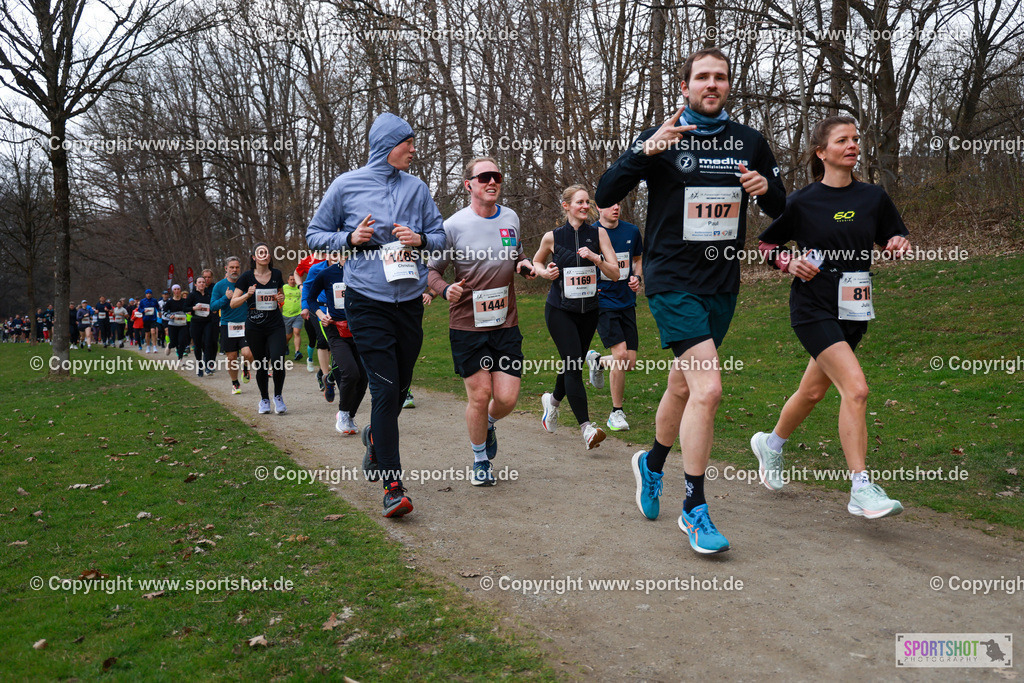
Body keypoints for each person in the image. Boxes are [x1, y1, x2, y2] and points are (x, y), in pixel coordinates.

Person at [596, 47, 786, 554]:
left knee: (682, 386)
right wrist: (646, 150)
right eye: (702, 77)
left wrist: (766, 189)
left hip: (721, 283)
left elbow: (781, 208)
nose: (712, 84)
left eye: (720, 77)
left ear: (728, 85)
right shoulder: (665, 137)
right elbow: (604, 192)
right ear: (685, 86)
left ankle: (651, 463)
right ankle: (695, 508)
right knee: (709, 389)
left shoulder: (749, 141)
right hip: (671, 279)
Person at [751, 116, 909, 518]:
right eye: (843, 140)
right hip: (813, 307)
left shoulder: (873, 197)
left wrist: (896, 243)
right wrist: (789, 262)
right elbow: (767, 243)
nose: (853, 145)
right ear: (822, 152)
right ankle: (860, 488)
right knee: (855, 388)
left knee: (813, 392)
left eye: (856, 139)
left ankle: (770, 445)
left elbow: (895, 236)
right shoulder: (803, 201)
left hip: (855, 310)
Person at [306, 111, 446, 518]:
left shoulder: (417, 188)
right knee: (384, 391)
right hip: (366, 301)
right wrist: (349, 238)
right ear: (388, 145)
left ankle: (375, 440)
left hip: (408, 303)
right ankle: (393, 486)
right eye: (409, 144)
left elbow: (439, 236)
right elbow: (314, 233)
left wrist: (419, 239)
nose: (414, 151)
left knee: (399, 390)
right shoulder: (346, 185)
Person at [427, 157, 536, 485]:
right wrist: (446, 290)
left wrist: (525, 264)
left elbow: (516, 252)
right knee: (479, 394)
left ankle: (488, 424)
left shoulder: (511, 218)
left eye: (497, 176)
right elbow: (431, 271)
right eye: (484, 177)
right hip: (467, 326)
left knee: (506, 398)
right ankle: (480, 461)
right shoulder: (453, 226)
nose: (492, 182)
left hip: (505, 322)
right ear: (469, 185)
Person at [532, 185, 621, 449]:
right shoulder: (552, 237)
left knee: (574, 362)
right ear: (566, 205)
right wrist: (544, 272)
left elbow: (616, 273)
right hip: (559, 310)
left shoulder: (599, 233)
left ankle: (552, 402)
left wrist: (596, 258)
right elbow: (535, 262)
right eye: (579, 202)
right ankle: (587, 428)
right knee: (573, 364)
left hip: (589, 311)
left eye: (587, 202)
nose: (585, 206)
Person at [586, 203, 644, 431]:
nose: (617, 207)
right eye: (610, 204)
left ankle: (598, 361)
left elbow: (637, 259)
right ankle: (616, 412)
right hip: (603, 301)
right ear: (598, 207)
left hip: (626, 301)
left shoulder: (631, 231)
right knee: (620, 355)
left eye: (619, 202)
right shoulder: (590, 233)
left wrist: (637, 277)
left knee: (629, 363)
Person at [305, 252, 368, 435]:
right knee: (350, 372)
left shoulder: (364, 272)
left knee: (363, 379)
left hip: (359, 330)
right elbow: (311, 298)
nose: (348, 256)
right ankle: (342, 413)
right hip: (336, 330)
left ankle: (349, 415)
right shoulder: (327, 274)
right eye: (345, 252)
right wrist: (321, 314)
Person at [231, 243, 288, 414]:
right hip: (255, 327)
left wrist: (281, 298)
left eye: (266, 252)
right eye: (260, 252)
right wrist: (247, 295)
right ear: (254, 258)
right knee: (262, 364)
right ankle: (264, 399)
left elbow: (281, 300)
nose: (264, 254)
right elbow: (233, 303)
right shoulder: (246, 277)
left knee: (278, 360)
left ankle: (278, 396)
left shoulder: (277, 274)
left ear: (269, 257)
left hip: (275, 325)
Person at [211, 256, 254, 394]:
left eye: (236, 267)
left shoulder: (247, 283)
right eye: (231, 267)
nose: (234, 270)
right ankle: (235, 383)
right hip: (227, 325)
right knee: (231, 357)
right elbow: (213, 306)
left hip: (245, 324)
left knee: (248, 353)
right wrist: (226, 297)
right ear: (226, 269)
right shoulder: (219, 286)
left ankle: (246, 367)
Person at [301, 253, 338, 401]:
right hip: (319, 310)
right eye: (333, 253)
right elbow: (307, 287)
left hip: (339, 311)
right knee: (323, 341)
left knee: (337, 344)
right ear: (326, 254)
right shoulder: (316, 269)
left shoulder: (348, 267)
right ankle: (325, 376)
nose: (336, 256)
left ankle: (330, 374)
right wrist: (304, 306)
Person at [294, 251, 325, 372]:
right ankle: (311, 359)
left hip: (330, 303)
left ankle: (325, 371)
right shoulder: (307, 261)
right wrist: (300, 286)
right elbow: (297, 273)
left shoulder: (333, 257)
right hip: (312, 304)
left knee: (328, 340)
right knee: (314, 338)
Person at [186, 275, 218, 377]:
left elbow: (213, 305)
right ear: (195, 284)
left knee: (208, 343)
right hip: (196, 323)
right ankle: (200, 365)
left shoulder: (209, 294)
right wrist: (194, 308)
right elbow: (185, 308)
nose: (202, 284)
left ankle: (208, 366)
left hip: (208, 322)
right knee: (198, 345)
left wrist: (214, 309)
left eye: (203, 282)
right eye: (199, 282)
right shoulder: (192, 295)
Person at [282, 273, 304, 361]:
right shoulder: (284, 288)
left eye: (294, 279)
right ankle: (285, 345)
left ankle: (297, 352)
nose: (292, 281)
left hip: (298, 314)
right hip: (286, 315)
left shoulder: (300, 288)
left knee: (297, 332)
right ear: (287, 280)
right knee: (288, 335)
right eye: (291, 279)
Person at [164, 285, 190, 358]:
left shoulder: (184, 301)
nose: (177, 291)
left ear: (180, 290)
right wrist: (169, 316)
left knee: (182, 341)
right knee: (174, 342)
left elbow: (188, 309)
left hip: (182, 324)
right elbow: (164, 312)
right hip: (173, 324)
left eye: (178, 289)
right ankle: (169, 345)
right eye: (175, 289)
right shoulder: (170, 302)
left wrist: (189, 311)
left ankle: (180, 358)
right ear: (173, 291)